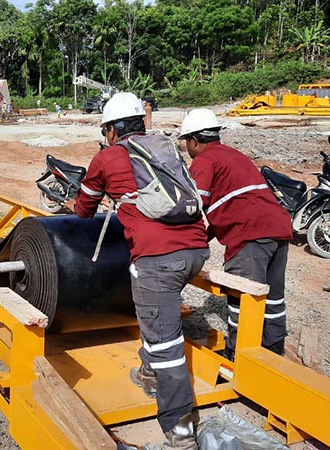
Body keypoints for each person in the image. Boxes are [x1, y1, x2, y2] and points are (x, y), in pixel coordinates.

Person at [66, 92, 209, 449]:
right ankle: (148, 372)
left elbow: (84, 209)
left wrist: (70, 203)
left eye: (105, 131)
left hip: (158, 259)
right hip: (196, 250)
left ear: (112, 130)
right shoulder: (165, 148)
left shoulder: (108, 156)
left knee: (167, 345)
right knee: (157, 318)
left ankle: (179, 429)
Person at [179, 108, 293, 361]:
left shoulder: (204, 161)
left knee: (244, 300)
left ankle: (239, 360)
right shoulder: (234, 156)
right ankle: (274, 353)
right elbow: (228, 205)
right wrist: (202, 239)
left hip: (249, 236)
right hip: (278, 230)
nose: (187, 147)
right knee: (271, 298)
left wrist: (182, 243)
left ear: (194, 140)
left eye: (187, 141)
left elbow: (193, 207)